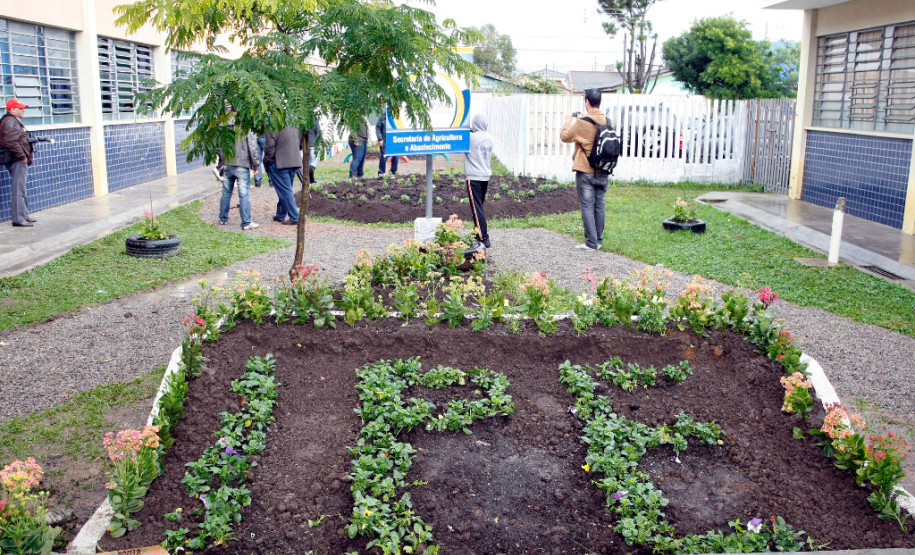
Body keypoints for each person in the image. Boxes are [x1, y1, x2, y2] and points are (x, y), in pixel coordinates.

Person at [560, 88, 610, 251]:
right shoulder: (608, 121)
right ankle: (599, 239)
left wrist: (569, 120)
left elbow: (565, 136)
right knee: (599, 204)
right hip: (603, 169)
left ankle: (591, 242)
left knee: (587, 206)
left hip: (585, 170)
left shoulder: (581, 123)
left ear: (587, 102)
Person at [1, 99, 36, 227]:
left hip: (17, 159)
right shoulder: (10, 121)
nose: (23, 110)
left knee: (21, 188)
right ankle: (19, 219)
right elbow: (11, 142)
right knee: (18, 189)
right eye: (20, 108)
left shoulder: (12, 121)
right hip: (16, 160)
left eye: (23, 108)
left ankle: (24, 215)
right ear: (11, 109)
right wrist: (22, 157)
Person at [218, 131, 260, 230]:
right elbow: (252, 146)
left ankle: (223, 218)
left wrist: (223, 161)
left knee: (226, 193)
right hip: (242, 164)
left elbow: (220, 146)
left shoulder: (225, 124)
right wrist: (256, 165)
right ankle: (246, 222)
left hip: (228, 163)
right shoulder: (246, 125)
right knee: (244, 194)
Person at [464, 114, 494, 251]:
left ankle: (484, 237)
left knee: (476, 209)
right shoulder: (489, 138)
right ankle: (478, 233)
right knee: (479, 207)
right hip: (485, 176)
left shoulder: (470, 138)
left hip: (473, 177)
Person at [264, 126, 302, 225]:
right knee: (286, 189)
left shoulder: (273, 124)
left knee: (285, 191)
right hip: (294, 161)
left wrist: (268, 161)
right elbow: (301, 142)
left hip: (280, 162)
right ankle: (280, 214)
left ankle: (294, 217)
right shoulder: (294, 123)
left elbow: (269, 147)